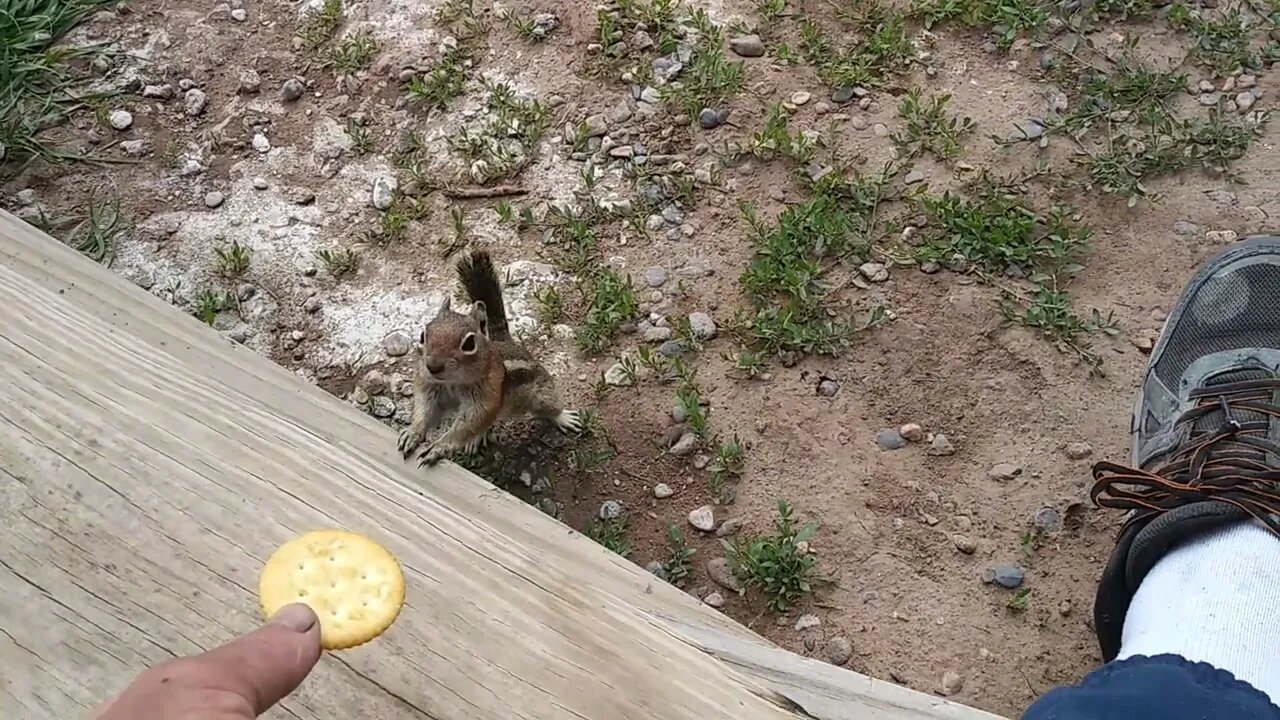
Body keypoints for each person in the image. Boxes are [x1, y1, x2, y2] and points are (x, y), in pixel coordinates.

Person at [97, 238, 1280, 718]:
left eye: (450, 352)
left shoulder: (491, 366)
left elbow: (482, 401)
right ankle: (1235, 567)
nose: (438, 364)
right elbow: (436, 398)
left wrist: (453, 434)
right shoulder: (441, 359)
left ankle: (1215, 562)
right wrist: (425, 426)